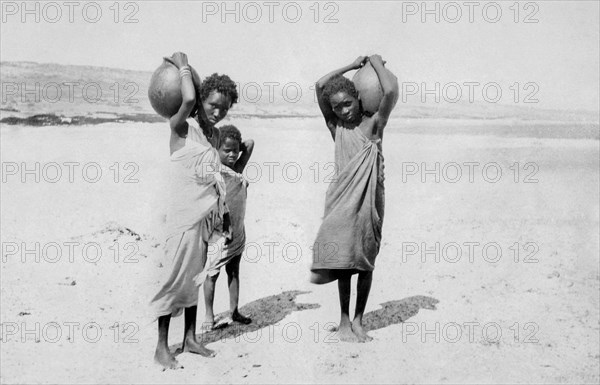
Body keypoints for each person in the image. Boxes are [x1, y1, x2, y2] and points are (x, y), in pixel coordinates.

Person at [150, 52, 239, 370]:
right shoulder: (179, 126)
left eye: (224, 108)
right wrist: (181, 62)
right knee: (174, 278)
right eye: (213, 105)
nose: (218, 112)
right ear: (202, 101)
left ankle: (189, 338)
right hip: (182, 218)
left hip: (205, 218)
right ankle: (161, 347)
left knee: (196, 278)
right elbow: (189, 96)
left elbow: (214, 177)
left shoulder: (212, 135)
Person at [310, 54, 399, 343]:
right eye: (336, 107)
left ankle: (360, 320)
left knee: (365, 261)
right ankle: (345, 321)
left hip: (371, 198)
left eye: (347, 103)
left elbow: (390, 90)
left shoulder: (374, 125)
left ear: (358, 99)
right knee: (344, 262)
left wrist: (376, 63)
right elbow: (320, 84)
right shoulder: (336, 128)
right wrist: (350, 65)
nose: (342, 111)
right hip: (342, 201)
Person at [202, 125, 255, 330]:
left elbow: (250, 144)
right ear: (217, 150)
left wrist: (233, 143)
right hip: (221, 231)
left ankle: (234, 311)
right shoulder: (216, 172)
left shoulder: (236, 169)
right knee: (212, 274)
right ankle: (209, 315)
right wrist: (217, 147)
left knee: (234, 271)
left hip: (238, 229)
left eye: (235, 150)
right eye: (227, 150)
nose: (233, 154)